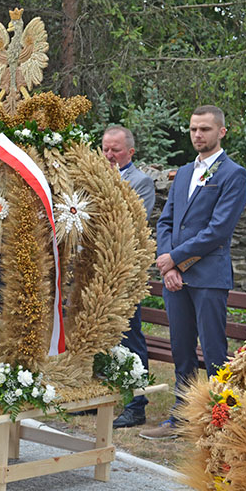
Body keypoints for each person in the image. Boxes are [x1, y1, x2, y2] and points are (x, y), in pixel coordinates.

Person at [140, 105, 246, 440]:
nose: (198, 135)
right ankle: (182, 416)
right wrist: (166, 262)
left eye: (205, 129)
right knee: (181, 348)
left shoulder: (233, 174)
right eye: (193, 129)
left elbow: (218, 230)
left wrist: (174, 259)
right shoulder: (184, 172)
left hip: (209, 278)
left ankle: (220, 420)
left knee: (214, 350)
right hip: (176, 278)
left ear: (221, 132)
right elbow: (167, 221)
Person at [101, 126, 155, 429]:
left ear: (130, 152)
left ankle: (137, 404)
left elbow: (131, 222)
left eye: (116, 150)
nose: (110, 155)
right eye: (106, 149)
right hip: (96, 272)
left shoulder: (141, 182)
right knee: (96, 336)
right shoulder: (93, 179)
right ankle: (99, 401)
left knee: (131, 336)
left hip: (124, 272)